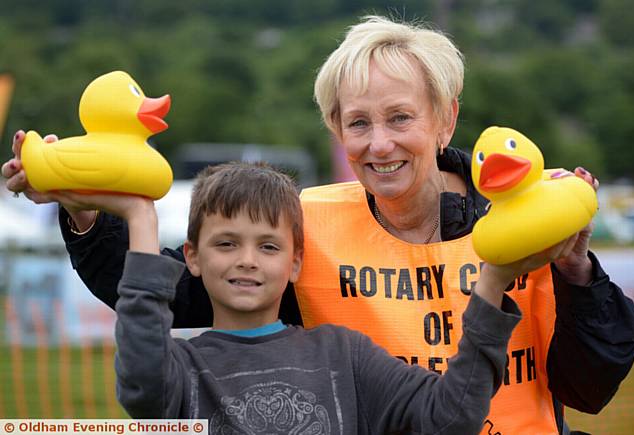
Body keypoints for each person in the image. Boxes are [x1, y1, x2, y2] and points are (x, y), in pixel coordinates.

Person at [3, 15, 634, 434]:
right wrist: (86, 210)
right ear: (336, 131)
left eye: (400, 118)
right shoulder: (302, 224)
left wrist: (578, 272)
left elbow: (590, 386)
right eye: (357, 122)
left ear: (445, 119)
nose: (379, 143)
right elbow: (156, 290)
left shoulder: (523, 219)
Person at [101, 161, 524, 432]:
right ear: (191, 257)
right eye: (226, 244)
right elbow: (140, 377)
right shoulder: (179, 369)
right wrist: (141, 216)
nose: (247, 260)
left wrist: (492, 285)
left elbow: (452, 418)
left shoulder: (345, 356)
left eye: (268, 246)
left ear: (296, 263)